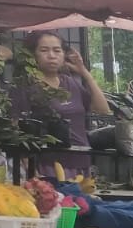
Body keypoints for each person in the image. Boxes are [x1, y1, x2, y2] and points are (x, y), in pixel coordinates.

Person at [10, 31, 111, 176]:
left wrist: (84, 72)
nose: (51, 55)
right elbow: (16, 130)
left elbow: (102, 109)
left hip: (81, 162)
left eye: (57, 50)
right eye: (44, 50)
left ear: (64, 55)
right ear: (33, 55)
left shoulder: (70, 82)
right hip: (47, 165)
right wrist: (32, 172)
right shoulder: (25, 86)